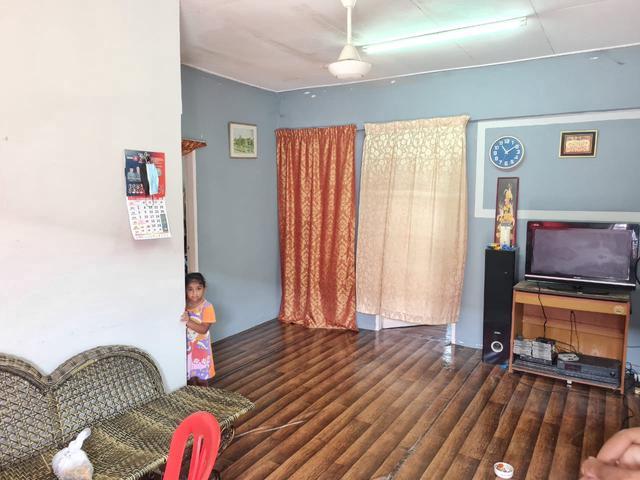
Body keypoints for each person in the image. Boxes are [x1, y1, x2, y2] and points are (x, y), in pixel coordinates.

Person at [180, 272, 216, 386]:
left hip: (201, 350)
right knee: (189, 378)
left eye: (198, 289)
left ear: (204, 288)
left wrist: (188, 321)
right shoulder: (183, 305)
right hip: (187, 349)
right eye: (190, 289)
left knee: (201, 378)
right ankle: (193, 395)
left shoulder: (207, 307)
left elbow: (203, 329)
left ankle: (203, 396)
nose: (194, 293)